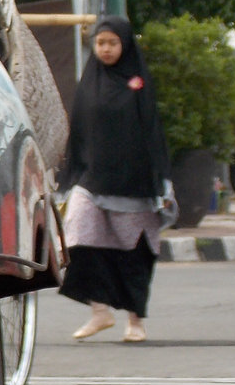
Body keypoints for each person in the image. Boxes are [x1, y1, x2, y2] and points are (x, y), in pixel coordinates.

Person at [56, 17, 171, 344]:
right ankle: (100, 312)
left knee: (132, 252)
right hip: (91, 180)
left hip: (133, 184)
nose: (105, 49)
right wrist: (70, 175)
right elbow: (78, 132)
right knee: (79, 237)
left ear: (125, 45)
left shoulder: (138, 83)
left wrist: (161, 182)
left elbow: (152, 134)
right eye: (100, 42)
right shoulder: (89, 81)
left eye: (112, 43)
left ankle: (136, 321)